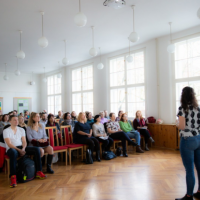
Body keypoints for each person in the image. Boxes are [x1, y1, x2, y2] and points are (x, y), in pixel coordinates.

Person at [3, 115, 46, 188]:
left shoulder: (21, 129)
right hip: (11, 148)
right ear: (9, 121)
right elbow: (9, 143)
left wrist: (23, 149)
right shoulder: (6, 130)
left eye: (17, 120)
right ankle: (13, 177)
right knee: (13, 153)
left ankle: (39, 171)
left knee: (36, 149)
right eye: (14, 120)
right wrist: (19, 150)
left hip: (21, 147)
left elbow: (24, 141)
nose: (16, 121)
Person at [175, 87, 200, 200]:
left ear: (183, 96)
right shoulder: (197, 107)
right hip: (198, 138)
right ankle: (199, 191)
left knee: (189, 169)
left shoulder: (182, 108)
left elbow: (181, 126)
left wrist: (177, 123)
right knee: (199, 167)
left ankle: (189, 195)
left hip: (187, 140)